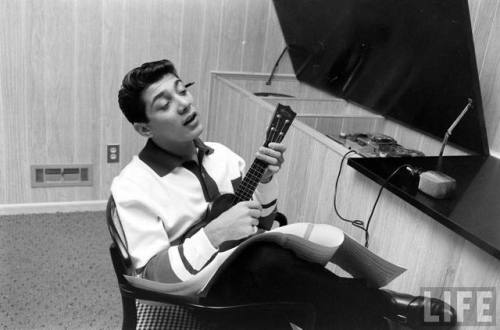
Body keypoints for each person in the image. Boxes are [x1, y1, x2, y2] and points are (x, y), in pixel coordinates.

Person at [111, 59, 456, 329]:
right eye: (165, 103)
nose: (184, 104)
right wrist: (213, 234)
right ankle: (383, 307)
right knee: (273, 270)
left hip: (252, 280)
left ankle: (371, 317)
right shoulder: (132, 186)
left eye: (182, 90)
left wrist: (266, 182)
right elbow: (152, 276)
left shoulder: (223, 155)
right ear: (144, 127)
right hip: (195, 297)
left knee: (283, 275)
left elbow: (259, 223)